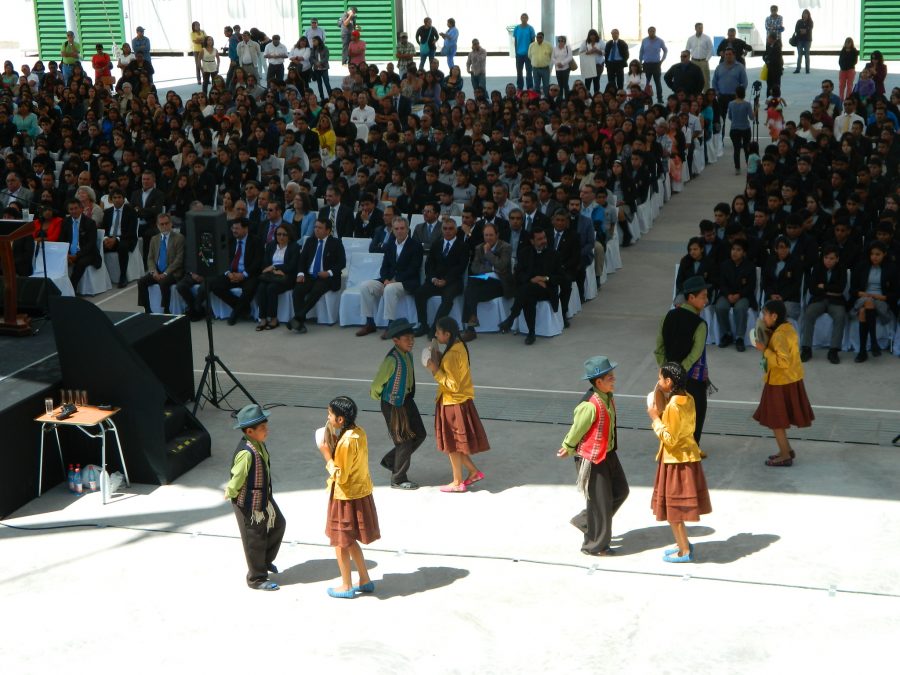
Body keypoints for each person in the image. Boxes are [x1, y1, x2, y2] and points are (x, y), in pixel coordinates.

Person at [557, 356, 629, 557]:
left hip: (608, 453)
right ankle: (594, 546)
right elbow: (577, 429)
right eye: (610, 377)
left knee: (621, 491)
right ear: (599, 382)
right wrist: (567, 446)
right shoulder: (589, 405)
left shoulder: (607, 396)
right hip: (592, 458)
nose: (614, 379)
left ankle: (586, 522)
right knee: (600, 502)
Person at [647, 362, 711, 563]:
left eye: (660, 379)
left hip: (676, 462)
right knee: (675, 510)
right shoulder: (688, 398)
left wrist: (655, 418)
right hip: (689, 457)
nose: (658, 383)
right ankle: (682, 543)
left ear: (668, 381)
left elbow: (670, 439)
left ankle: (684, 550)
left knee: (674, 511)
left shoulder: (673, 406)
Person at [319, 395, 380, 598]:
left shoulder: (345, 442)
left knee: (341, 542)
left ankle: (346, 585)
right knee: (350, 540)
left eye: (330, 415)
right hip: (361, 492)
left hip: (345, 497)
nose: (328, 418)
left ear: (340, 420)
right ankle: (364, 579)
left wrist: (326, 453)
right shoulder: (358, 433)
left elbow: (341, 476)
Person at [224, 404, 286, 591]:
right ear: (250, 431)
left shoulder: (259, 444)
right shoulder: (246, 453)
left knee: (278, 524)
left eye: (266, 426)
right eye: (263, 428)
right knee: (254, 538)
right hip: (248, 502)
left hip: (263, 496)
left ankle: (265, 561)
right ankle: (256, 578)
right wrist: (232, 494)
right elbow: (237, 477)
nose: (267, 430)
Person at [425, 316, 490, 492]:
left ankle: (457, 482)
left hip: (452, 404)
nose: (436, 334)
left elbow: (453, 385)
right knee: (457, 444)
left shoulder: (453, 354)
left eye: (439, 332)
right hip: (459, 402)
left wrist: (435, 370)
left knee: (453, 445)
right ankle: (473, 472)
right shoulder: (458, 346)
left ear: (447, 334)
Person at [753, 300, 815, 467]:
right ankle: (785, 449)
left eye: (765, 314)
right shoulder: (787, 328)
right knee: (779, 419)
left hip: (780, 382)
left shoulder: (779, 335)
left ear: (774, 316)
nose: (763, 317)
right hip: (791, 380)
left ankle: (785, 455)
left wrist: (764, 350)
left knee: (776, 420)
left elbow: (783, 362)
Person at [370, 318, 427, 490]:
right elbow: (376, 386)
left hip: (407, 400)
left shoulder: (407, 355)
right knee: (404, 441)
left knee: (420, 434)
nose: (411, 341)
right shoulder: (391, 360)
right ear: (396, 340)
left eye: (412, 337)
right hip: (393, 404)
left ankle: (391, 460)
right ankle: (398, 478)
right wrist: (386, 398)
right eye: (406, 338)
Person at [655, 276, 712, 445]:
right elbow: (696, 354)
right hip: (692, 378)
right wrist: (680, 371)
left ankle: (672, 445)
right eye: (703, 296)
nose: (706, 300)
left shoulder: (668, 316)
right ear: (691, 298)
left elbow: (659, 348)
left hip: (668, 378)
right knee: (696, 411)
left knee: (671, 413)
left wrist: (667, 370)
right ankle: (692, 449)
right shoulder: (700, 324)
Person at [498, 228, 561, 345]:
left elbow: (560, 277)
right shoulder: (524, 253)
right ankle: (531, 333)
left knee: (525, 290)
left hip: (547, 289)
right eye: (539, 239)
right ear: (532, 241)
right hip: (530, 288)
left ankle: (512, 318)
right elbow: (519, 274)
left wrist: (544, 278)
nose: (543, 241)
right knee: (528, 296)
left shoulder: (554, 254)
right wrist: (532, 279)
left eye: (544, 238)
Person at [290, 218, 346, 334]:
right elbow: (302, 260)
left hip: (327, 277)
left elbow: (342, 263)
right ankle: (300, 322)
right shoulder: (310, 241)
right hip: (310, 275)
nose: (316, 230)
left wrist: (329, 272)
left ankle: (298, 318)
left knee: (317, 290)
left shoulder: (336, 243)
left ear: (328, 230)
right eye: (315, 227)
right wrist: (300, 273)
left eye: (319, 228)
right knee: (297, 290)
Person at [413, 217, 467, 337]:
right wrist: (433, 278)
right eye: (445, 228)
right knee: (419, 293)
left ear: (456, 230)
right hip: (435, 280)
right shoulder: (437, 244)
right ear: (442, 230)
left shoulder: (462, 246)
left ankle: (436, 328)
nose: (447, 231)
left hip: (453, 282)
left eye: (451, 229)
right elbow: (429, 264)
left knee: (447, 299)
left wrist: (446, 280)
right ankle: (423, 325)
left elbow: (460, 267)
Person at [460, 222, 513, 341]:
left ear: (497, 235)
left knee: (471, 289)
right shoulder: (479, 247)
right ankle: (471, 325)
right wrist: (492, 268)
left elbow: (502, 265)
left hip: (500, 282)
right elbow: (474, 268)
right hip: (484, 279)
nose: (488, 238)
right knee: (471, 285)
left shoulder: (505, 247)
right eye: (486, 235)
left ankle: (470, 328)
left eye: (491, 235)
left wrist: (488, 254)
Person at [799, 246, 847, 365]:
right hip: (818, 299)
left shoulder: (842, 269)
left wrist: (824, 287)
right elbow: (812, 289)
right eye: (826, 258)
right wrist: (829, 290)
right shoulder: (817, 267)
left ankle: (834, 350)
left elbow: (840, 288)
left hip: (836, 301)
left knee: (840, 316)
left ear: (837, 259)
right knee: (809, 313)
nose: (828, 261)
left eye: (831, 258)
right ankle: (806, 348)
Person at [850, 242, 896, 362]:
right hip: (863, 298)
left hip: (881, 300)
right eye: (872, 254)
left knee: (862, 312)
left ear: (884, 254)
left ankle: (862, 352)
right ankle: (874, 343)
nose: (874, 257)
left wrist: (877, 296)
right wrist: (863, 294)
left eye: (878, 254)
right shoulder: (862, 266)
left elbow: (895, 294)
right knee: (867, 302)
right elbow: (853, 290)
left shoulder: (891, 269)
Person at [253, 223, 299, 331]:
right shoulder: (271, 245)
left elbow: (292, 265)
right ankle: (263, 318)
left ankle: (273, 318)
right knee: (261, 288)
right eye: (279, 234)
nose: (281, 237)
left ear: (289, 236)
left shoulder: (294, 247)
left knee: (271, 288)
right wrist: (274, 270)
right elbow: (265, 263)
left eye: (284, 235)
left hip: (286, 277)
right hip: (271, 275)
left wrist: (275, 267)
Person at [137, 213, 183, 314]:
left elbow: (179, 260)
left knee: (164, 282)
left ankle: (166, 309)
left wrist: (165, 273)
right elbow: (150, 258)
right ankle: (147, 308)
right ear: (157, 226)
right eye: (162, 224)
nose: (164, 226)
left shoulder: (179, 238)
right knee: (141, 282)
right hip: (158, 271)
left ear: (171, 224)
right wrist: (154, 271)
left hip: (173, 272)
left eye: (167, 223)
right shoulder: (154, 239)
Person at [101, 189, 138, 288]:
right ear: (111, 199)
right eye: (114, 198)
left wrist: (116, 239)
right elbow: (103, 228)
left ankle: (123, 276)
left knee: (122, 247)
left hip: (126, 238)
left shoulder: (131, 211)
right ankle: (101, 277)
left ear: (123, 199)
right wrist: (105, 239)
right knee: (97, 246)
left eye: (119, 197)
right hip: (109, 239)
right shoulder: (107, 212)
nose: (117, 200)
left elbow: (131, 231)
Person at [727, 85, 753, 174]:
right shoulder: (747, 104)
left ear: (736, 94)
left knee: (736, 149)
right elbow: (752, 117)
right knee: (747, 148)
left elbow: (730, 117)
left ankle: (737, 168)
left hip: (734, 128)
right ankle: (749, 166)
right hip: (745, 128)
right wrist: (756, 110)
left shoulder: (731, 104)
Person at [639, 27, 668, 104]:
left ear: (655, 31)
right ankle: (646, 98)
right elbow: (641, 51)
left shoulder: (660, 41)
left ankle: (660, 98)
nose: (652, 32)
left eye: (653, 31)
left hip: (656, 65)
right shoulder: (644, 40)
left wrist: (662, 60)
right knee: (646, 82)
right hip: (646, 65)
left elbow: (665, 50)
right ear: (648, 32)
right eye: (650, 31)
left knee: (657, 82)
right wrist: (640, 61)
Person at [685, 23, 713, 91]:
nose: (701, 29)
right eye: (699, 28)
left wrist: (706, 59)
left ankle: (706, 96)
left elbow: (711, 50)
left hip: (704, 62)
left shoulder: (707, 38)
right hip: (693, 62)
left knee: (706, 80)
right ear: (695, 28)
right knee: (693, 79)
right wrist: (687, 60)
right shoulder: (690, 39)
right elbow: (687, 50)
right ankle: (695, 95)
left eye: (702, 28)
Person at [513, 13, 535, 92]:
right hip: (519, 54)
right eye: (522, 17)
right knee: (519, 72)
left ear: (527, 19)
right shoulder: (517, 28)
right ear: (520, 18)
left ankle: (530, 87)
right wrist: (516, 52)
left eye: (525, 17)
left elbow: (533, 41)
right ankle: (520, 87)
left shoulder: (530, 28)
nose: (524, 18)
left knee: (529, 72)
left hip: (528, 54)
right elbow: (515, 40)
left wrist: (532, 53)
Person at [528, 32, 553, 98]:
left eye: (540, 37)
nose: (538, 38)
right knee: (536, 85)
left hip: (545, 69)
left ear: (543, 37)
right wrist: (535, 62)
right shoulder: (531, 45)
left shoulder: (549, 45)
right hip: (535, 69)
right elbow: (529, 56)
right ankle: (537, 99)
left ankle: (547, 99)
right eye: (537, 37)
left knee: (546, 85)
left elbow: (552, 56)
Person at [551, 36, 575, 100]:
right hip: (558, 69)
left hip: (565, 68)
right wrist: (557, 63)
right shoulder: (555, 48)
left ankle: (568, 98)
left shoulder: (567, 48)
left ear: (565, 41)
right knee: (560, 84)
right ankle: (560, 98)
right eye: (559, 41)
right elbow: (552, 58)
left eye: (562, 41)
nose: (560, 42)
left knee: (565, 84)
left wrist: (562, 63)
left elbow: (570, 57)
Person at [792, 9, 813, 74]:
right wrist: (801, 30)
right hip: (799, 40)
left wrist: (804, 30)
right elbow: (796, 29)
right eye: (804, 13)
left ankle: (807, 69)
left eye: (806, 13)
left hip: (807, 40)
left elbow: (809, 29)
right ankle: (798, 69)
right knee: (799, 55)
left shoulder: (810, 22)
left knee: (807, 55)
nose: (805, 15)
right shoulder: (799, 21)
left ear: (808, 15)